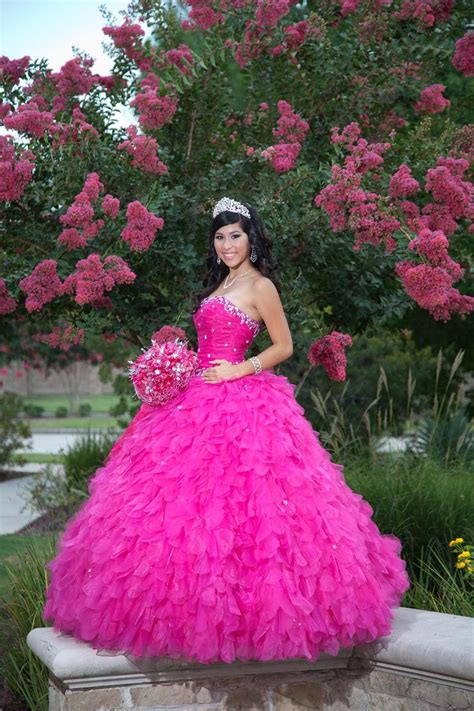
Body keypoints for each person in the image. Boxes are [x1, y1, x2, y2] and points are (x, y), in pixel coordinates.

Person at [42, 196, 410, 664]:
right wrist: (176, 368)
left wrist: (240, 370)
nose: (227, 243)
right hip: (195, 397)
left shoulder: (260, 287)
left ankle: (252, 620)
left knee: (246, 504)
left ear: (251, 239)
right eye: (220, 236)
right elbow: (207, 342)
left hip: (242, 399)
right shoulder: (221, 284)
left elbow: (284, 346)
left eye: (235, 234)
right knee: (176, 507)